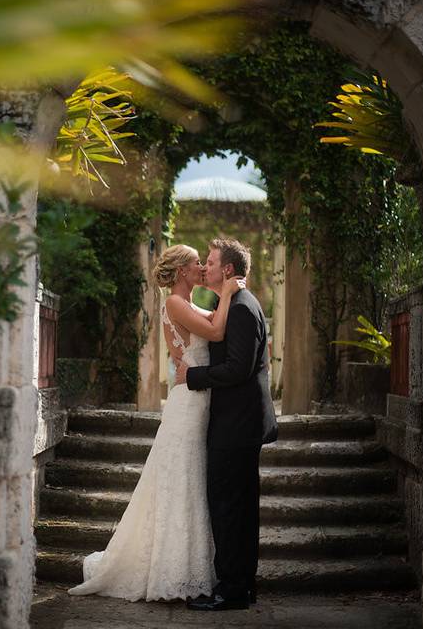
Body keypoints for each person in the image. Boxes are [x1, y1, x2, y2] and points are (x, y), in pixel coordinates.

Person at [67, 244, 244, 602]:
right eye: (197, 263)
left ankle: (188, 564)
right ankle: (171, 569)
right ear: (181, 271)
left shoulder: (191, 302)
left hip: (198, 400)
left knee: (189, 477)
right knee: (181, 475)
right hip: (187, 406)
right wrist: (227, 292)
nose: (201, 267)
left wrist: (222, 296)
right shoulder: (175, 304)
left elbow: (212, 324)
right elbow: (216, 333)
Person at [174, 238, 278, 612]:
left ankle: (231, 590)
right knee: (240, 508)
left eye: (212, 262)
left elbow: (238, 368)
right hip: (237, 424)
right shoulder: (230, 304)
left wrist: (192, 375)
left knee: (229, 508)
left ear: (228, 270)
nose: (206, 268)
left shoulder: (241, 309)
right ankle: (241, 585)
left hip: (237, 426)